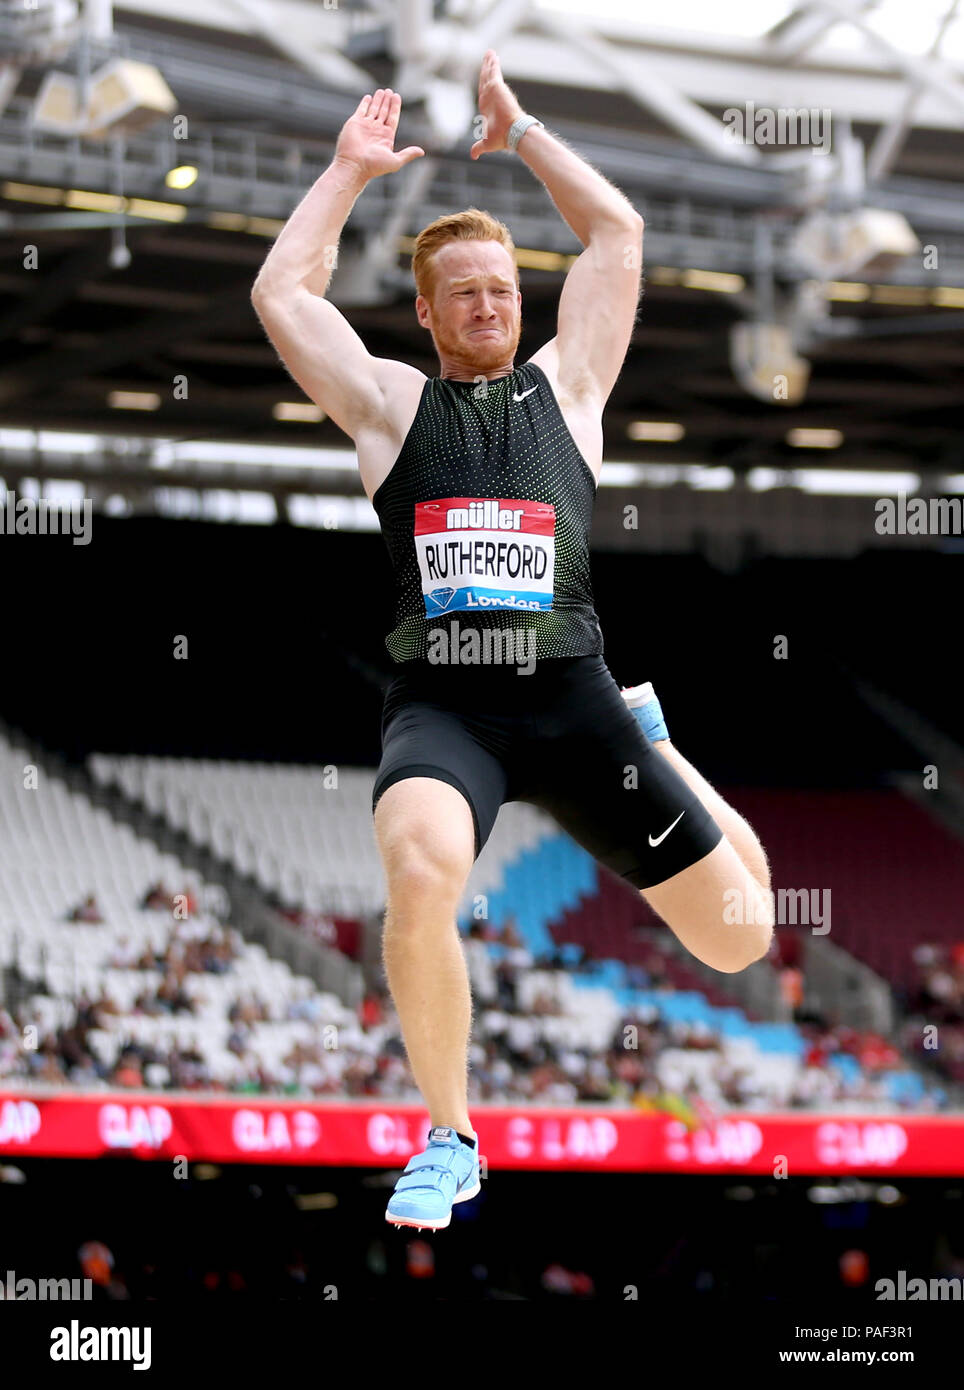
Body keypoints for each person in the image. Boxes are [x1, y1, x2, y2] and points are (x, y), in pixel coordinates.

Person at [252, 50, 773, 1231]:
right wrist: (344, 174)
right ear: (427, 312)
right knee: (421, 867)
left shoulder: (569, 393)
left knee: (744, 942)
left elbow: (620, 234)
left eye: (502, 287)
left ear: (519, 300)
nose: (488, 304)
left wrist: (523, 128)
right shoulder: (391, 408)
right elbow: (284, 298)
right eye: (464, 292)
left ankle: (666, 748)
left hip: (579, 707)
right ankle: (449, 1134)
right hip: (449, 712)